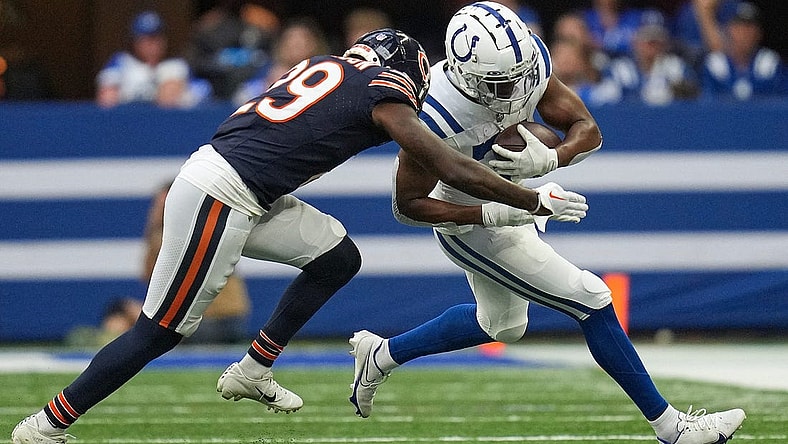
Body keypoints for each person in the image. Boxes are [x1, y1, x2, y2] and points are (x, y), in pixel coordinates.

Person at [11, 28, 588, 443]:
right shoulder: (382, 91)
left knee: (337, 256)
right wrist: (532, 199)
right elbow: (447, 163)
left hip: (249, 189)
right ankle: (46, 425)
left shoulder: (330, 67)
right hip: (222, 191)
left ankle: (254, 368)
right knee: (159, 331)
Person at [347, 4, 746, 444]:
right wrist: (492, 212)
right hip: (467, 217)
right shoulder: (435, 113)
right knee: (591, 298)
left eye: (519, 76)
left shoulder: (525, 64)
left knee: (502, 325)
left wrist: (553, 158)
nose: (516, 90)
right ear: (465, 74)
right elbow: (407, 206)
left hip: (509, 193)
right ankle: (672, 428)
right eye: (501, 83)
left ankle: (381, 354)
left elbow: (587, 128)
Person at [142, 182, 251, 344]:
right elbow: (148, 276)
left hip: (220, 321)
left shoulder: (196, 231)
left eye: (164, 206)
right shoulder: (162, 236)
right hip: (205, 320)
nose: (160, 212)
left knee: (146, 329)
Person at [96, 10, 208, 108]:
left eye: (157, 38)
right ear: (135, 42)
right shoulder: (121, 62)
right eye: (146, 39)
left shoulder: (176, 66)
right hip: (127, 122)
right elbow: (107, 100)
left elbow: (202, 90)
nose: (153, 45)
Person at [694, 0, 787, 100]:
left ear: (758, 32)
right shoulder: (715, 64)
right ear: (730, 29)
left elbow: (782, 100)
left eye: (749, 28)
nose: (744, 34)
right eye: (739, 28)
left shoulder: (770, 63)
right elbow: (707, 102)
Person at [602, 12, 699, 105]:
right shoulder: (619, 69)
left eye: (657, 41)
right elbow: (608, 100)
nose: (652, 46)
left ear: (666, 43)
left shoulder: (677, 67)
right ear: (636, 42)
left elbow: (690, 96)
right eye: (647, 40)